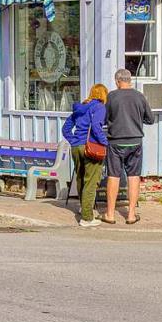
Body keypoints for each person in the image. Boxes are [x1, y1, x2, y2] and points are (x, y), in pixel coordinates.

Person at [103, 69, 156, 224]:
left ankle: (110, 214)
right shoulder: (139, 96)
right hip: (135, 141)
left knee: (113, 176)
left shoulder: (112, 96)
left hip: (115, 141)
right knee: (133, 177)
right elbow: (150, 119)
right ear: (130, 80)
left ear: (118, 81)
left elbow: (104, 119)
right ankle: (131, 215)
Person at [62, 83, 109, 227]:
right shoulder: (99, 107)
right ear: (103, 95)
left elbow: (66, 128)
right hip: (91, 147)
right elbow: (96, 126)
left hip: (76, 146)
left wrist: (73, 140)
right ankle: (87, 218)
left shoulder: (80, 107)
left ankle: (84, 208)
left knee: (81, 178)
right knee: (91, 181)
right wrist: (105, 142)